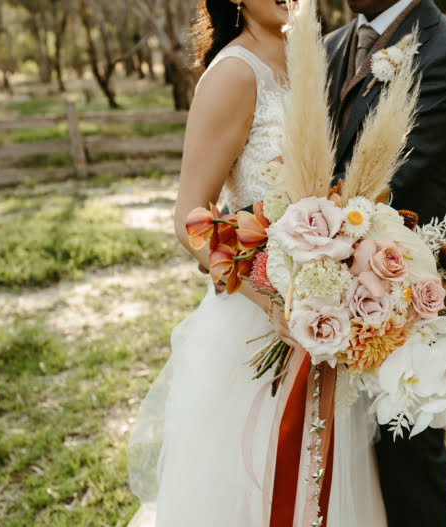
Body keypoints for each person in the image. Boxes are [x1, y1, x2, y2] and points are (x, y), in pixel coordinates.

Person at [126, 0, 386, 525]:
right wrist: (270, 300)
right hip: (259, 318)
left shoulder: (310, 58)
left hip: (325, 313)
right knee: (254, 483)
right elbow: (190, 217)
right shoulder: (234, 74)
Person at [324, 0, 446, 525]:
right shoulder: (330, 46)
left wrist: (299, 216)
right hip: (321, 291)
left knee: (409, 471)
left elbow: (395, 177)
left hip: (408, 300)